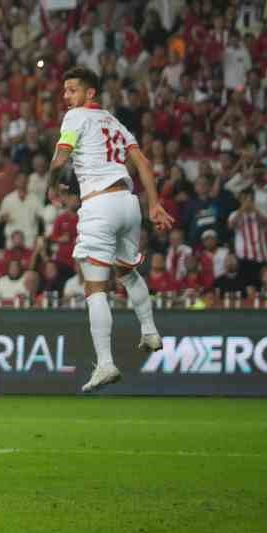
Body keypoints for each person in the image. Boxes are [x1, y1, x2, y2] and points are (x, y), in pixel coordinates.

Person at [48, 67, 175, 392]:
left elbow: (60, 159)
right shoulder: (114, 123)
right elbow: (144, 163)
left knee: (95, 289)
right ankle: (149, 331)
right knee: (128, 272)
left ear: (90, 93)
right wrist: (155, 204)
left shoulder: (76, 117)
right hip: (128, 202)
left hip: (99, 204)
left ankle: (105, 363)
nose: (67, 96)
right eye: (64, 90)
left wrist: (52, 186)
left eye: (72, 89)